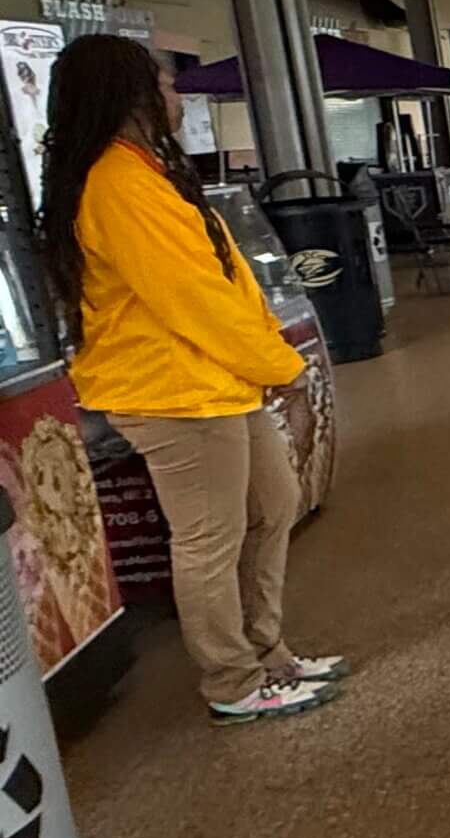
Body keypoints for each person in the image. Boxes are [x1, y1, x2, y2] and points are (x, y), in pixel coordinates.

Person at [38, 36, 349, 724]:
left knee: (274, 503)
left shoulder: (148, 171)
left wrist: (265, 354)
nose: (178, 99)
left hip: (214, 380)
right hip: (175, 393)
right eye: (167, 86)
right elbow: (194, 298)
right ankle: (233, 681)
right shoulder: (118, 185)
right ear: (132, 97)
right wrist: (279, 366)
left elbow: (223, 277)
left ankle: (267, 649)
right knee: (209, 539)